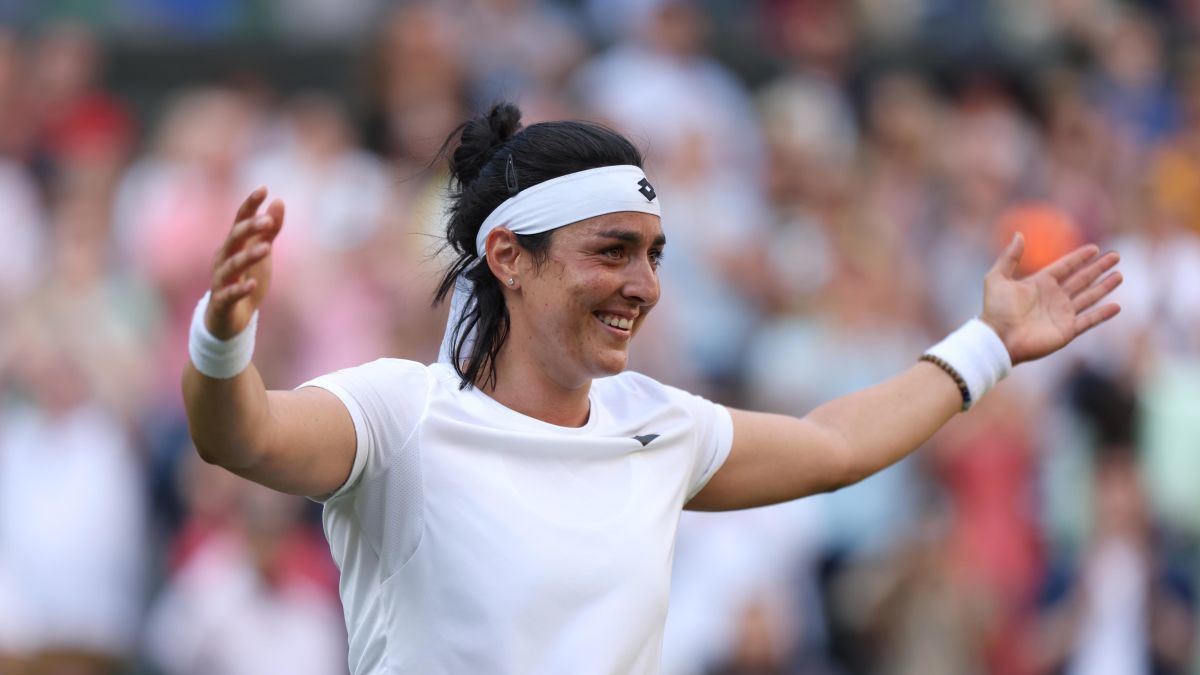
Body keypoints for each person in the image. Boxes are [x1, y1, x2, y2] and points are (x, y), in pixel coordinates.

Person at [181, 102, 1123, 674]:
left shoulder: (657, 424)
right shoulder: (399, 416)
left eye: (654, 254)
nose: (644, 283)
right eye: (613, 251)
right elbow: (243, 435)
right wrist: (224, 333)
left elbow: (836, 448)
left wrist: (989, 342)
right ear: (509, 256)